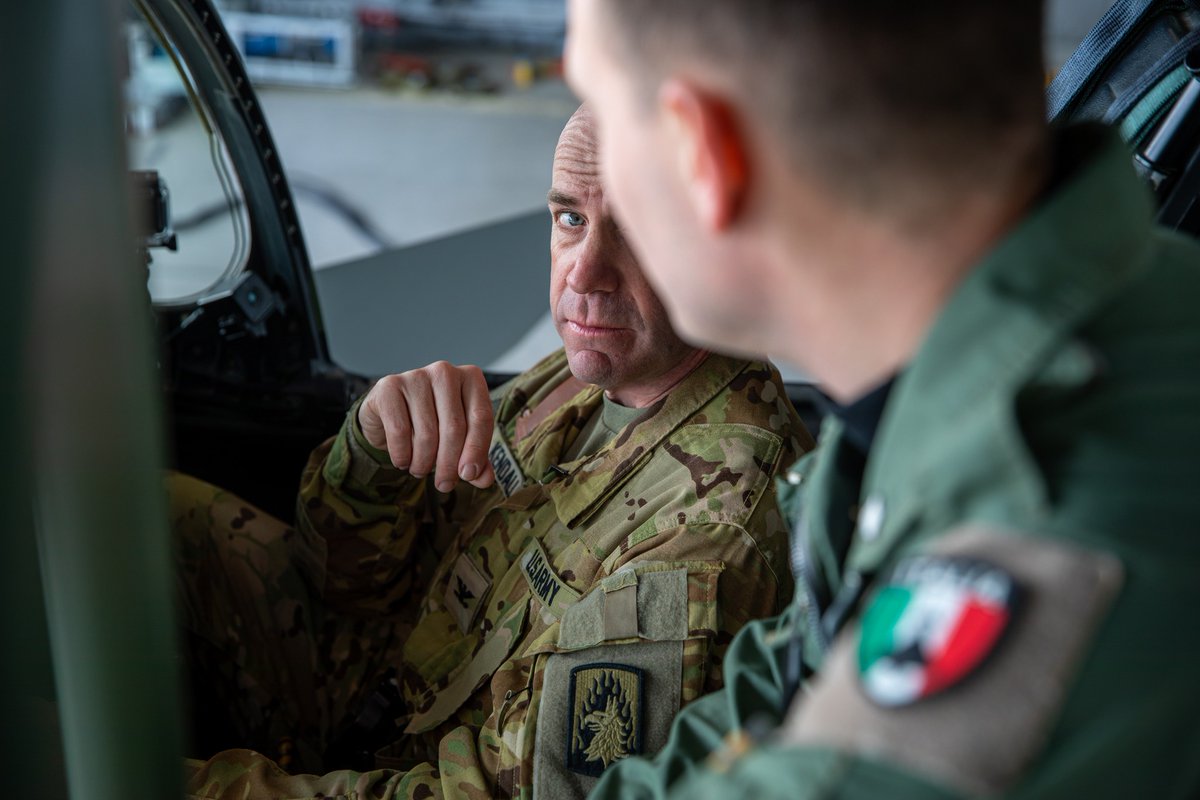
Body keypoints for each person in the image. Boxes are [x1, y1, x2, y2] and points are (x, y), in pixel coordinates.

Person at [563, 1, 1200, 798]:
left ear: (704, 154)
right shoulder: (1104, 307)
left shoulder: (1036, 533)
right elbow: (780, 688)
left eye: (612, 122)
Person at [176, 105, 814, 799]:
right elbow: (349, 583)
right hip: (390, 684)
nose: (584, 273)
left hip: (431, 770)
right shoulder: (583, 376)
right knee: (154, 516)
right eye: (571, 220)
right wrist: (372, 454)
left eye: (638, 229)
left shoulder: (709, 535)